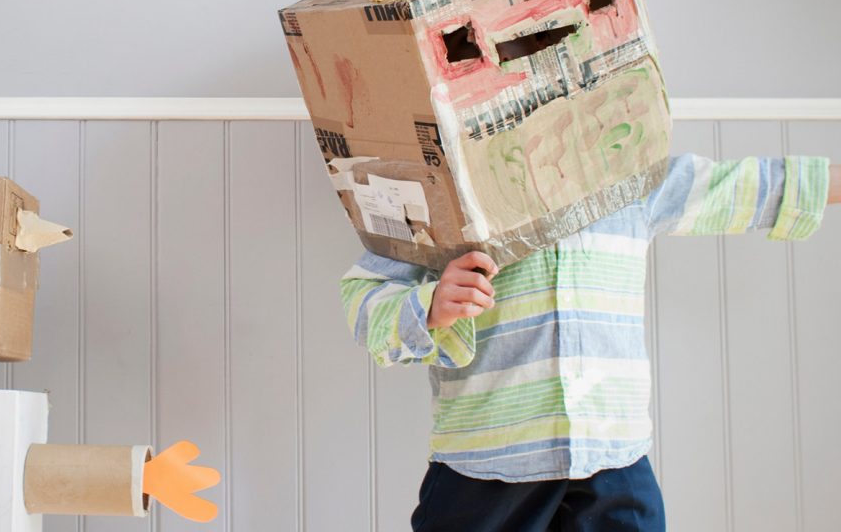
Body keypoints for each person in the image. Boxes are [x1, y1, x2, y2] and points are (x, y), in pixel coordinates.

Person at [340, 154, 838, 531]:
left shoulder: (633, 178)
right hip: (488, 463)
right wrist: (430, 304)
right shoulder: (440, 191)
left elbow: (747, 186)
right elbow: (365, 301)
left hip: (614, 456)